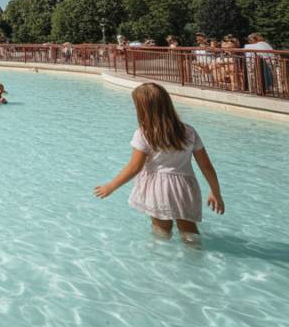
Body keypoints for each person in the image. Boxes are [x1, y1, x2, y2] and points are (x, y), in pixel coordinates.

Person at [94, 82, 224, 242]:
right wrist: (215, 192)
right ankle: (196, 258)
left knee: (162, 231)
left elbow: (134, 167)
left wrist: (111, 186)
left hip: (159, 189)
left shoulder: (144, 135)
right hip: (186, 188)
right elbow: (206, 165)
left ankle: (161, 262)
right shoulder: (188, 132)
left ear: (142, 110)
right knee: (190, 232)